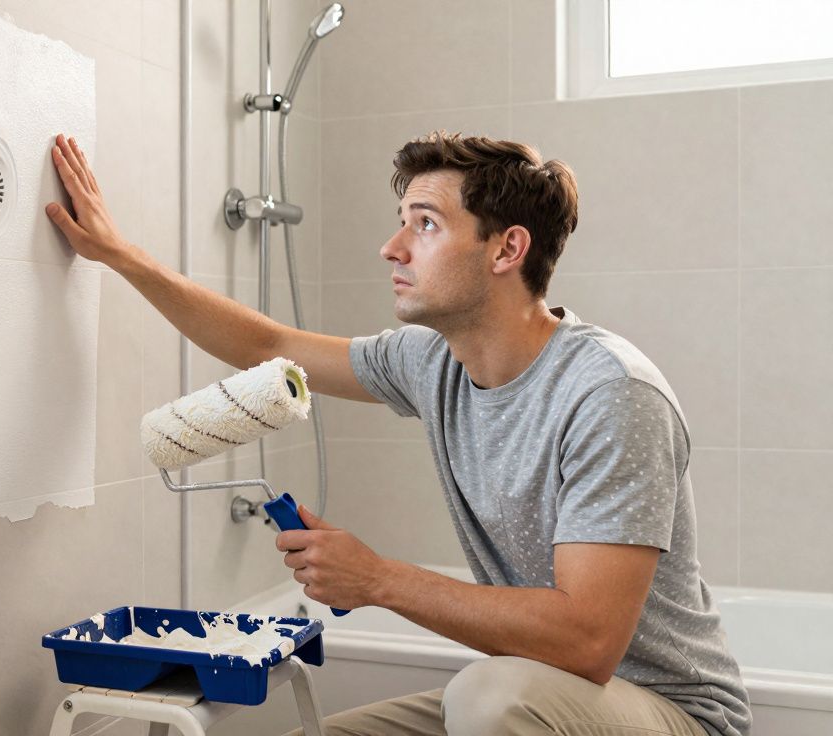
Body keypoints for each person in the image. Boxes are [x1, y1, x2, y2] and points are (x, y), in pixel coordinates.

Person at [43, 130, 751, 736]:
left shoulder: (608, 395)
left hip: (671, 714)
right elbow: (267, 346)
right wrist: (120, 255)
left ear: (507, 250)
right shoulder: (432, 361)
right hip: (534, 696)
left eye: (425, 224)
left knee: (486, 696)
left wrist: (376, 579)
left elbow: (589, 641)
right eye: (401, 222)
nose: (392, 247)